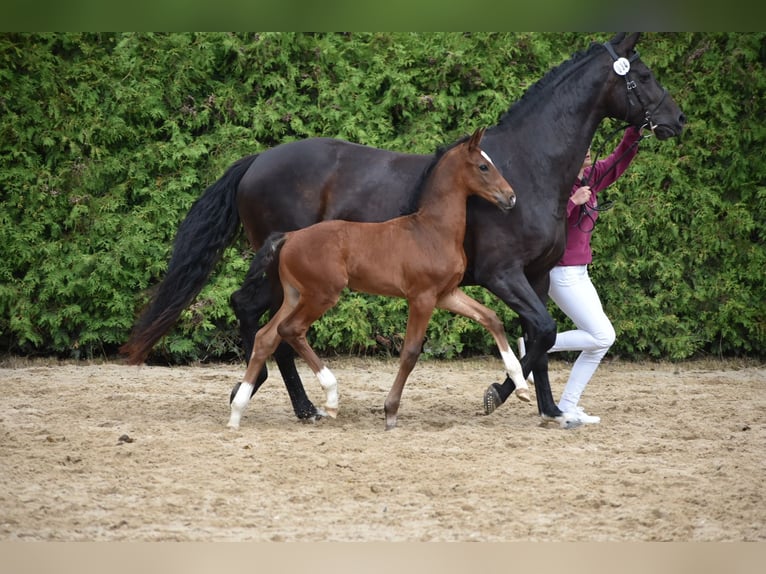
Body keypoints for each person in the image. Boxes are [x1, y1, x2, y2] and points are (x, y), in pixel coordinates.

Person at [544, 125, 643, 424]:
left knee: (600, 341)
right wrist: (572, 204)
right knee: (603, 335)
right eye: (581, 144)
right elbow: (545, 226)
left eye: (588, 144)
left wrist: (635, 129)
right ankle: (539, 344)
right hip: (560, 273)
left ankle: (568, 406)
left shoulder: (592, 177)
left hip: (580, 271)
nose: (587, 148)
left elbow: (619, 160)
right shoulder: (559, 187)